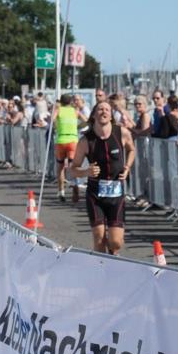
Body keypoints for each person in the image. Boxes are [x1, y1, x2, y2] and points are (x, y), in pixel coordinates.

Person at [69, 101, 136, 256]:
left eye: (107, 109)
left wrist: (127, 167)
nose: (104, 112)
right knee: (99, 239)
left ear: (111, 115)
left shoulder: (122, 133)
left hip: (116, 195)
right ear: (94, 115)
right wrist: (87, 171)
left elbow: (131, 150)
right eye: (100, 109)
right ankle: (103, 273)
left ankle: (113, 253)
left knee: (115, 242)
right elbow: (73, 169)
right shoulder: (86, 140)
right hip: (95, 195)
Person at [53, 94, 80, 201]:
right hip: (73, 140)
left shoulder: (58, 110)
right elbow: (86, 120)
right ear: (70, 102)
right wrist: (77, 127)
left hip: (61, 140)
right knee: (72, 166)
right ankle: (75, 185)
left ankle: (61, 192)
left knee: (60, 168)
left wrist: (56, 125)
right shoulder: (75, 111)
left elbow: (52, 119)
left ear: (61, 102)